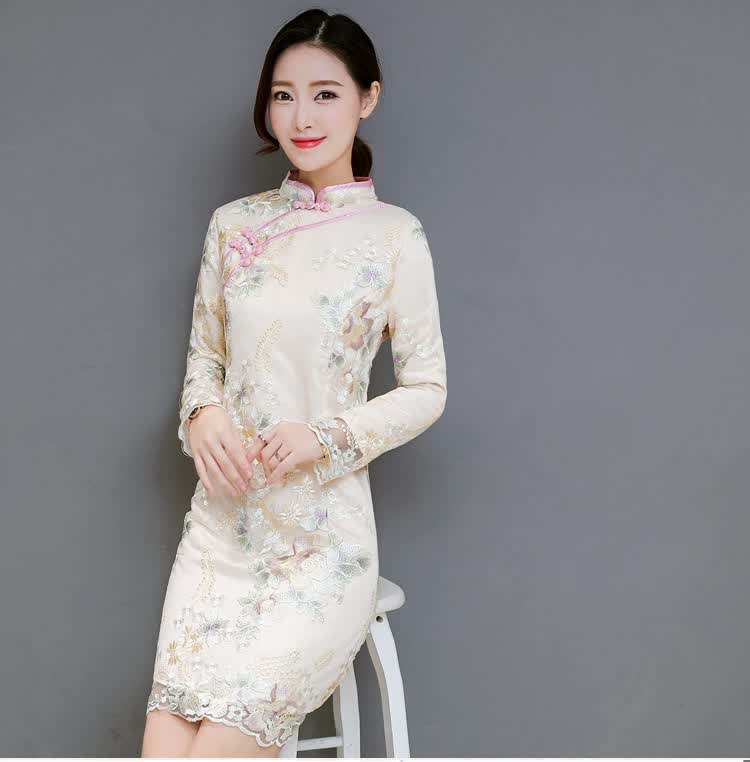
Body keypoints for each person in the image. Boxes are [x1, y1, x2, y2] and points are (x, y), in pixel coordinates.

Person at [140, 7, 447, 758]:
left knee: (216, 749)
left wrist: (326, 437)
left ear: (367, 98)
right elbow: (204, 363)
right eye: (283, 95)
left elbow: (427, 389)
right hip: (221, 534)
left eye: (325, 94)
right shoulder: (233, 225)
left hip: (321, 545)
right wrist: (202, 414)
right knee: (162, 749)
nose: (301, 117)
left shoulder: (394, 236)